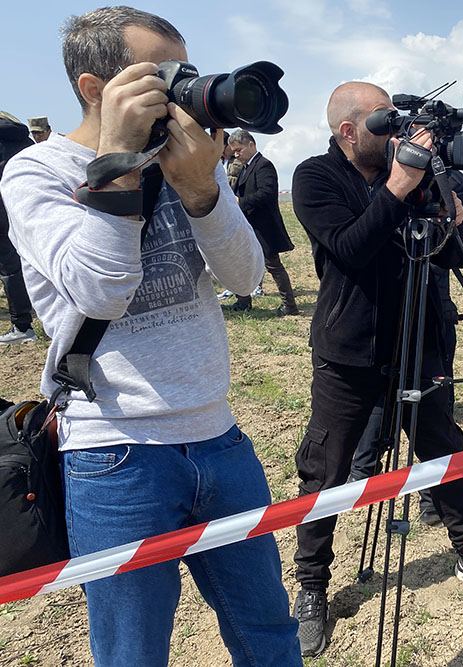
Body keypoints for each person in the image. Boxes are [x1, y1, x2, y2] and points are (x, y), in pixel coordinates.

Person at [0, 8, 300, 666]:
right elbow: (101, 290)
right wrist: (119, 164)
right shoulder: (37, 171)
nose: (182, 89)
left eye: (186, 72)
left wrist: (202, 190)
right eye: (162, 75)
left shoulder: (190, 159)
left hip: (219, 435)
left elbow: (246, 277)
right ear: (94, 88)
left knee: (269, 631)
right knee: (132, 653)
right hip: (114, 453)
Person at [290, 81, 463, 658]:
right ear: (349, 131)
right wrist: (398, 186)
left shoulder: (419, 174)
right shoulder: (316, 177)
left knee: (444, 452)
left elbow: (458, 256)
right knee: (325, 470)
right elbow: (351, 248)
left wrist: (451, 214)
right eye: (383, 120)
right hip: (350, 351)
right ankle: (312, 586)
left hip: (421, 342)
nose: (397, 131)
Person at [347, 170, 463, 528]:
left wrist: (452, 217)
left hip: (432, 311)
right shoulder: (379, 176)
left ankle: (433, 495)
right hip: (383, 309)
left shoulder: (453, 182)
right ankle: (364, 473)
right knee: (381, 396)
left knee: (434, 405)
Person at [226, 129, 298, 315]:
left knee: (273, 265)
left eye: (239, 150)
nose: (236, 155)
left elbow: (266, 194)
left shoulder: (264, 166)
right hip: (249, 225)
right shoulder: (246, 167)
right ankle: (243, 301)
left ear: (251, 145)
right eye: (234, 151)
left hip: (263, 227)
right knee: (242, 262)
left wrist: (241, 202)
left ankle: (289, 305)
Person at [0, 112, 37, 344]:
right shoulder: (23, 137)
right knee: (33, 262)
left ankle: (22, 326)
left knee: (10, 270)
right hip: (27, 208)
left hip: (1, 213)